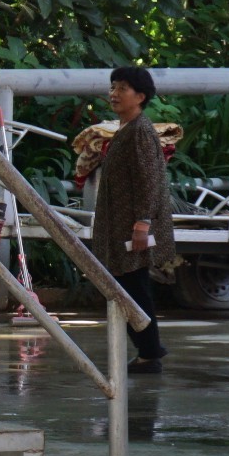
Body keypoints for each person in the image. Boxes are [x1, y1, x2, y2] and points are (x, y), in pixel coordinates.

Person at [89, 65, 175, 373]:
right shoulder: (127, 129)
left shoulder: (140, 131)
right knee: (128, 287)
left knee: (132, 289)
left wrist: (142, 223)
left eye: (122, 88)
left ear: (140, 96)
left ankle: (150, 353)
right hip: (121, 226)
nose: (114, 93)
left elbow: (148, 180)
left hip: (133, 228)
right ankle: (148, 351)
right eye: (113, 86)